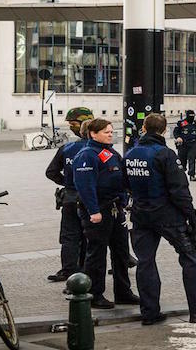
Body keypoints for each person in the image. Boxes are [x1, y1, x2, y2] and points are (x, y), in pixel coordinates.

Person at [124, 113, 196, 325]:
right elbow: (179, 190)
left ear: (143, 128)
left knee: (145, 262)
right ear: (164, 130)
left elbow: (126, 184)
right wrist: (191, 216)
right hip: (168, 216)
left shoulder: (130, 154)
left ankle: (150, 312)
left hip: (141, 215)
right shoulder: (165, 154)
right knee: (189, 259)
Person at [73, 118, 140, 309]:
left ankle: (123, 292)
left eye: (111, 132)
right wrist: (93, 211)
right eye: (106, 132)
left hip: (114, 208)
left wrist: (124, 201)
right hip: (98, 210)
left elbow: (119, 179)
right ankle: (94, 294)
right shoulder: (87, 155)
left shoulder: (110, 152)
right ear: (93, 134)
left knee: (121, 253)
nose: (110, 134)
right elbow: (85, 186)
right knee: (97, 254)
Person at [44, 107, 94, 282]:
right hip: (90, 201)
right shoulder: (99, 150)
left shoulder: (68, 148)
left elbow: (51, 172)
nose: (72, 127)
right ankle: (84, 271)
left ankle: (68, 270)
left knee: (70, 237)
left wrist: (67, 183)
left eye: (73, 124)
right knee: (86, 237)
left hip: (71, 198)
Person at [174, 110, 196, 181]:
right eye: (190, 116)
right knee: (182, 161)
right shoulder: (181, 123)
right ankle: (181, 174)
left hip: (193, 144)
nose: (192, 117)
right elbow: (175, 132)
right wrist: (178, 137)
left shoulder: (195, 123)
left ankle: (192, 175)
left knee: (192, 159)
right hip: (183, 145)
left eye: (193, 116)